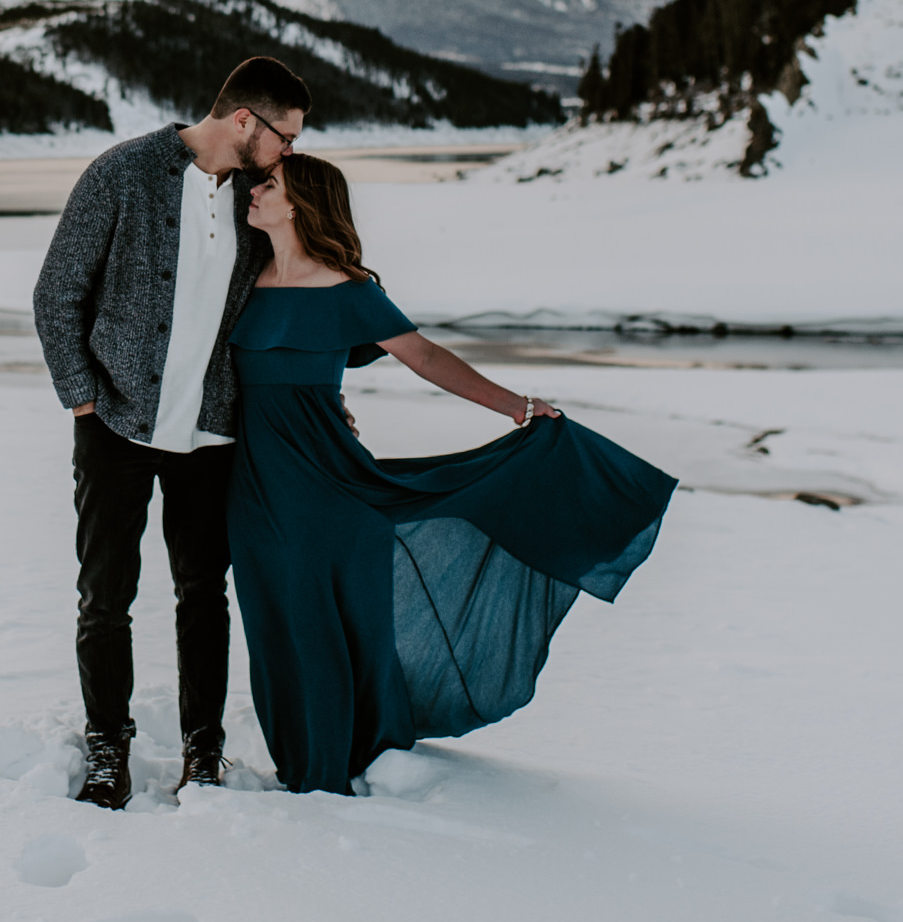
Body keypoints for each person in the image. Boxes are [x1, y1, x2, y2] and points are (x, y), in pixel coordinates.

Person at [228, 152, 677, 795]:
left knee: (317, 622)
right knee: (271, 619)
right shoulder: (243, 279)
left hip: (324, 485)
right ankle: (302, 754)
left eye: (267, 184)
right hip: (250, 486)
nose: (254, 192)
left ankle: (322, 770)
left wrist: (518, 406)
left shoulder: (349, 289)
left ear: (299, 200)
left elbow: (426, 358)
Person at [33, 56, 311, 810]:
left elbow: (294, 294)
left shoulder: (262, 199)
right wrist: (84, 400)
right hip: (115, 423)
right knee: (105, 595)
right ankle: (106, 746)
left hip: (211, 432)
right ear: (245, 121)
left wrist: (318, 390)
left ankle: (203, 748)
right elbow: (57, 292)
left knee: (203, 595)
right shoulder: (122, 173)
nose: (290, 151)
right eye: (284, 134)